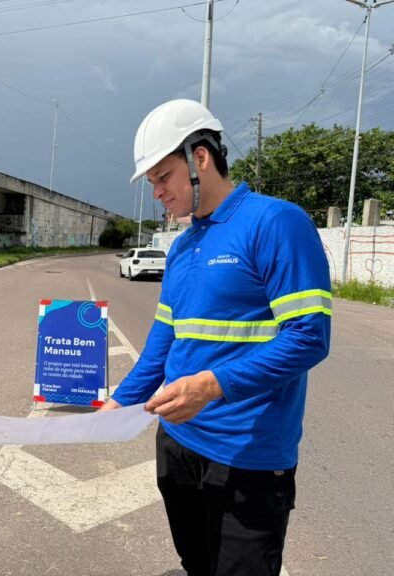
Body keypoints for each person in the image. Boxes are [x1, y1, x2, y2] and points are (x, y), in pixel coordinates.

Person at [101, 99, 332, 576]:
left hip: (247, 456)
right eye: (152, 182)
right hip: (177, 444)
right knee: (196, 564)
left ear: (199, 158)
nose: (157, 192)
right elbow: (165, 340)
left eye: (163, 177)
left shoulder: (276, 222)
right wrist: (118, 405)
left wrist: (210, 385)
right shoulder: (183, 246)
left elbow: (309, 336)